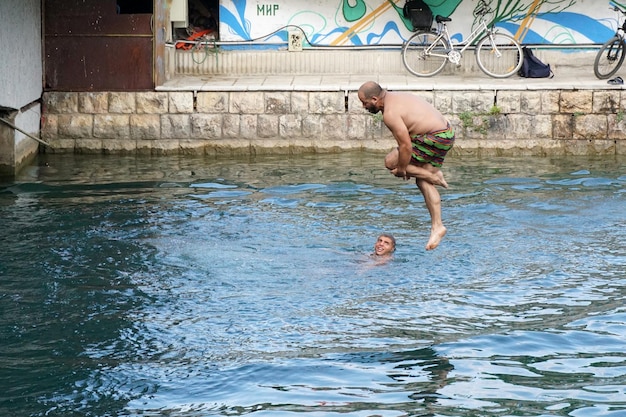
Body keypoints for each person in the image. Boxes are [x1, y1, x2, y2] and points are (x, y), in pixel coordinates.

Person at [357, 81, 455, 251]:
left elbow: (406, 146)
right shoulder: (397, 97)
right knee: (422, 181)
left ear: (374, 99)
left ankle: (433, 176)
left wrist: (402, 169)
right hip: (446, 133)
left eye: (364, 102)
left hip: (434, 137)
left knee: (391, 162)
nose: (364, 106)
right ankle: (437, 226)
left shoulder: (390, 113)